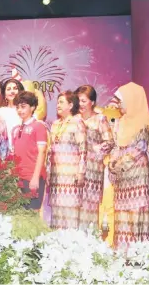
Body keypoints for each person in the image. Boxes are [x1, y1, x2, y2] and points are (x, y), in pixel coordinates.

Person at [108, 82, 149, 250]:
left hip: (136, 175)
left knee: (136, 214)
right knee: (122, 216)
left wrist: (118, 166)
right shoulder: (120, 122)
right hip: (122, 179)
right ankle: (122, 254)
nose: (119, 105)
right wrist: (112, 163)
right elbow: (115, 146)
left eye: (122, 100)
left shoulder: (144, 122)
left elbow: (139, 149)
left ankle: (138, 255)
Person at [75, 85, 114, 230]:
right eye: (78, 100)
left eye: (83, 101)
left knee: (89, 206)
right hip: (75, 169)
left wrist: (94, 150)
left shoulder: (99, 119)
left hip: (92, 170)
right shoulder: (74, 119)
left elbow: (110, 142)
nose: (80, 104)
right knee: (75, 206)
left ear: (92, 102)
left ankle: (89, 242)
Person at [48, 91, 87, 229]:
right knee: (57, 213)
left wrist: (81, 172)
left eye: (61, 102)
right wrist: (48, 173)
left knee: (70, 212)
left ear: (70, 105)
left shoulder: (78, 122)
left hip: (71, 176)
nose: (58, 105)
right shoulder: (55, 124)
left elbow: (83, 148)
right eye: (57, 102)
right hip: (56, 176)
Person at [11, 91, 48, 210]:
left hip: (33, 177)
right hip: (19, 178)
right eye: (17, 107)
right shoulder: (15, 129)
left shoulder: (39, 126)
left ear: (32, 107)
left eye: (23, 107)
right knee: (22, 214)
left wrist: (35, 177)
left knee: (32, 213)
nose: (20, 110)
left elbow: (42, 152)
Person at [0, 79, 25, 150]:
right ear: (4, 94)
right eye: (8, 89)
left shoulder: (27, 112)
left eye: (15, 88)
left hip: (23, 151)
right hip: (3, 152)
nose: (12, 91)